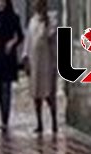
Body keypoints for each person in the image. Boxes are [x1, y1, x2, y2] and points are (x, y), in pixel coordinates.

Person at [0, 0, 23, 133]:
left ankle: (5, 119)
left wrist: (12, 43)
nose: (0, 4)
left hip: (8, 56)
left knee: (6, 88)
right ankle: (2, 114)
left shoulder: (13, 17)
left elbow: (20, 36)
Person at [27, 0, 58, 134]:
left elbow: (51, 37)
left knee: (49, 94)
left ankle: (54, 121)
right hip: (35, 62)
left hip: (47, 62)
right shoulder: (32, 21)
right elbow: (29, 40)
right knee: (36, 94)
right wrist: (25, 58)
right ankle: (39, 122)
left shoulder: (51, 21)